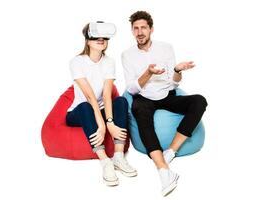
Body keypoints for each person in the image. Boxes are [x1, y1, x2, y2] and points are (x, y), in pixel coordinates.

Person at [122, 11, 208, 196]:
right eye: (136, 28)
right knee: (139, 111)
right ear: (132, 31)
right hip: (144, 97)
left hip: (167, 95)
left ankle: (171, 151)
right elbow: (131, 89)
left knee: (199, 101)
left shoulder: (166, 48)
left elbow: (174, 83)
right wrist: (148, 73)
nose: (140, 32)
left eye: (143, 27)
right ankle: (164, 171)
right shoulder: (127, 55)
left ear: (151, 29)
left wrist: (177, 70)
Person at [66, 21, 137, 186]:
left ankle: (118, 157)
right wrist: (102, 125)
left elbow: (106, 94)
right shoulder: (76, 61)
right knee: (85, 107)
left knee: (120, 101)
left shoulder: (109, 61)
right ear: (88, 40)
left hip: (102, 108)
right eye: (96, 37)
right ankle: (105, 161)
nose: (101, 39)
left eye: (104, 37)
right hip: (79, 111)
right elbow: (90, 97)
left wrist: (110, 122)